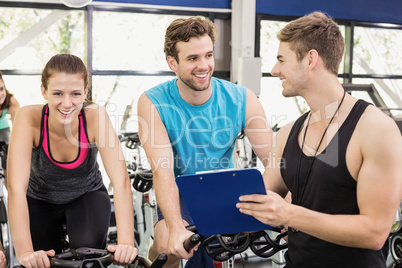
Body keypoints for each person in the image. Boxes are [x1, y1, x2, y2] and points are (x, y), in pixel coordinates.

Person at [236, 11, 402, 268]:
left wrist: (290, 214)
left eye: (281, 59)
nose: (274, 70)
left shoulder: (376, 129)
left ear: (311, 59)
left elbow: (374, 233)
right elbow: (261, 199)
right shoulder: (288, 133)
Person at [137, 16, 272, 268]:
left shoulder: (242, 98)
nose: (204, 65)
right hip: (180, 191)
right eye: (192, 58)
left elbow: (273, 160)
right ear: (172, 63)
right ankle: (156, 249)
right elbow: (163, 171)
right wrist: (176, 228)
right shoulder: (152, 101)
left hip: (222, 189)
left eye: (208, 55)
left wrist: (285, 204)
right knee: (169, 246)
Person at [7, 54, 138, 268]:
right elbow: (16, 188)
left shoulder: (95, 117)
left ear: (85, 92)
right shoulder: (28, 118)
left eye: (76, 94)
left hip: (86, 195)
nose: (67, 103)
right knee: (42, 262)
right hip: (40, 200)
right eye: (57, 93)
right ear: (44, 91)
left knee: (87, 261)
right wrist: (25, 253)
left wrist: (125, 243)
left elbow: (121, 180)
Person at [0, 70, 20, 186]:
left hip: (3, 130)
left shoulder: (11, 102)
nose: (0, 94)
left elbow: (18, 130)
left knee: (9, 158)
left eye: (1, 89)